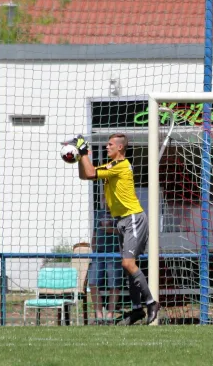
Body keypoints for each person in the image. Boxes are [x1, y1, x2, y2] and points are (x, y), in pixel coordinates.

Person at [73, 133, 160, 325]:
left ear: (120, 147)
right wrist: (81, 157)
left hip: (133, 218)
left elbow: (90, 173)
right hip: (122, 221)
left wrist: (83, 153)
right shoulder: (112, 165)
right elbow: (85, 174)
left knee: (128, 264)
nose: (106, 146)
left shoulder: (121, 165)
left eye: (110, 144)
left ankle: (151, 303)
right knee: (129, 267)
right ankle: (137, 310)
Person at [88, 209, 123, 325]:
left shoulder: (119, 212)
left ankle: (110, 315)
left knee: (114, 284)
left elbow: (123, 231)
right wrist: (93, 246)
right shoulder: (99, 213)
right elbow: (95, 232)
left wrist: (110, 230)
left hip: (114, 253)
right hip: (99, 253)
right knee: (92, 282)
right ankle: (98, 316)